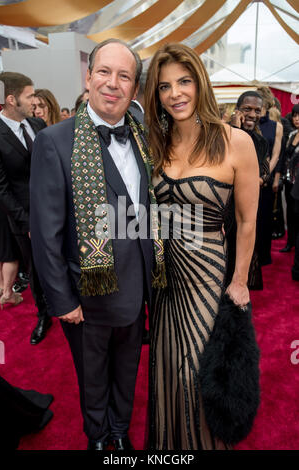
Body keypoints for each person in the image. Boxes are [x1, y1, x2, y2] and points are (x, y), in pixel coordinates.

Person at [30, 38, 164, 451]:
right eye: (104, 71)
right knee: (92, 374)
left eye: (124, 76)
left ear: (135, 88)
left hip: (138, 285)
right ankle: (99, 438)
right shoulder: (54, 140)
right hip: (86, 292)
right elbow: (45, 232)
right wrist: (62, 300)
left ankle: (120, 433)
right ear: (88, 77)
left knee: (128, 368)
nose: (112, 83)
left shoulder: (145, 138)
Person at [145, 43, 259, 450]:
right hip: (163, 282)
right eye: (164, 86)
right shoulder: (153, 144)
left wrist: (241, 280)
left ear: (200, 84)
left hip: (207, 278)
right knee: (167, 371)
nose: (175, 93)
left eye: (184, 82)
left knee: (201, 374)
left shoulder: (237, 142)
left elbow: (247, 221)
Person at [0, 72, 51, 344]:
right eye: (29, 96)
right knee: (38, 272)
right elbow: (2, 189)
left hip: (56, 211)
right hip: (24, 220)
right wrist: (28, 223)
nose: (35, 100)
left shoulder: (38, 124)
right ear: (11, 99)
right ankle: (44, 315)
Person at [228, 90, 270, 290]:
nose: (253, 114)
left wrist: (258, 180)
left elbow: (264, 171)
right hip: (224, 208)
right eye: (247, 109)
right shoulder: (223, 134)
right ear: (237, 111)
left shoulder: (261, 142)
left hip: (246, 207)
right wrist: (235, 130)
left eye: (257, 110)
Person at [256, 86, 283, 262]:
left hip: (265, 179)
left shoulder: (276, 126)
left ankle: (263, 255)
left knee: (264, 216)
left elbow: (276, 154)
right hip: (246, 178)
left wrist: (265, 175)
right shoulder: (249, 123)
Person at [279, 104, 299, 253]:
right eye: (294, 115)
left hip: (298, 182)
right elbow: (285, 156)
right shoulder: (292, 135)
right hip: (288, 181)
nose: (297, 119)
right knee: (290, 213)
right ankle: (290, 241)